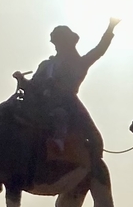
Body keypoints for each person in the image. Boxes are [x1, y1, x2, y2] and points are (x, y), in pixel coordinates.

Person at [13, 18, 119, 160]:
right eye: (56, 42)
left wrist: (110, 28)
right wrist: (21, 80)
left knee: (93, 137)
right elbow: (33, 86)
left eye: (60, 41)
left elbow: (99, 50)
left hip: (67, 102)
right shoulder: (46, 65)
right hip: (41, 103)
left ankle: (62, 145)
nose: (58, 45)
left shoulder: (79, 63)